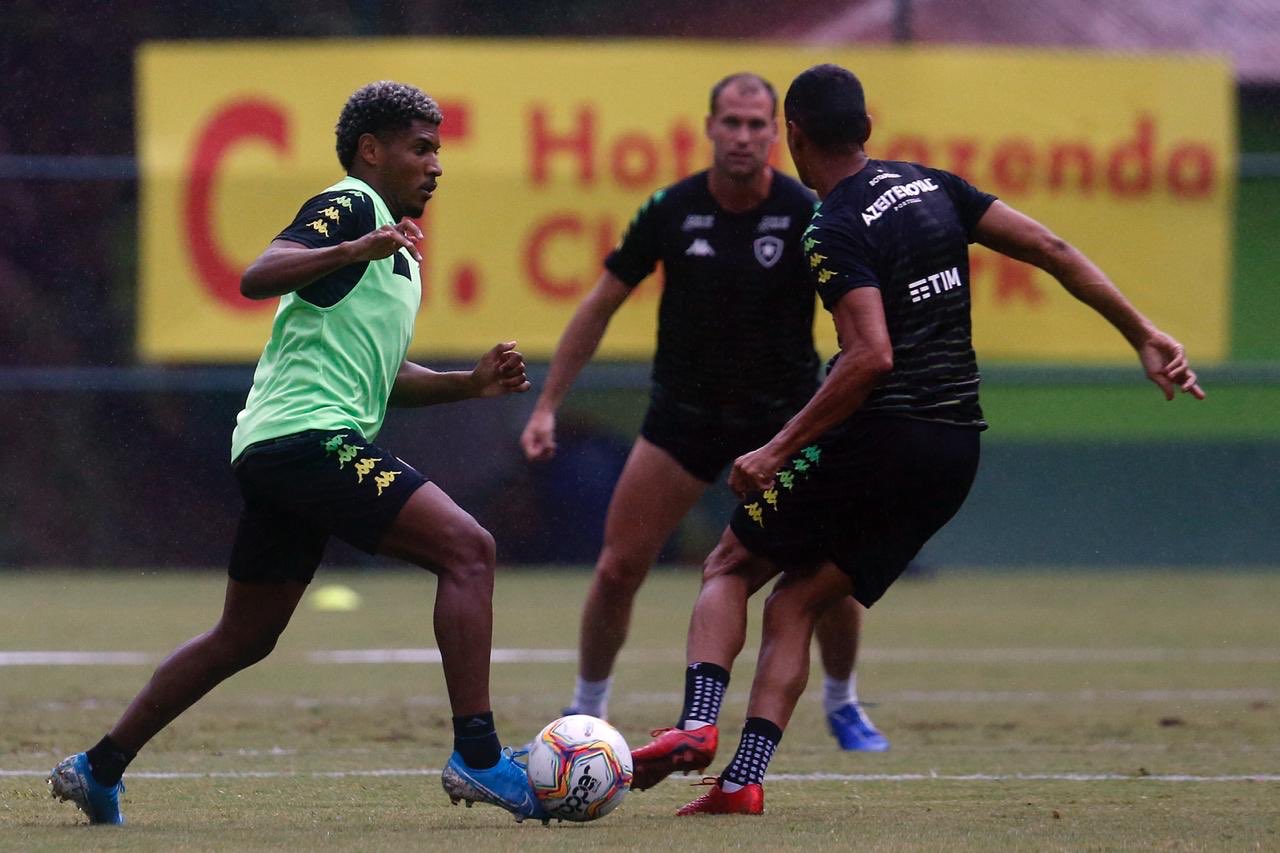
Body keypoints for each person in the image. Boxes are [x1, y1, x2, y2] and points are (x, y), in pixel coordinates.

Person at [630, 63, 1206, 815]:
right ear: (866, 128)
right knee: (796, 602)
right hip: (954, 451)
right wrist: (1144, 334)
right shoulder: (935, 186)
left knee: (731, 562)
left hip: (884, 433)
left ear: (793, 136)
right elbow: (1053, 248)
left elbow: (871, 357)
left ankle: (698, 726)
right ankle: (741, 782)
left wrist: (776, 449)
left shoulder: (830, 227)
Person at [47, 81, 547, 826]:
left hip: (283, 445)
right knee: (468, 549)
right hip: (305, 439)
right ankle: (478, 756)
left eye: (439, 149)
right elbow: (257, 273)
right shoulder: (353, 204)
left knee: (244, 635)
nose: (436, 164)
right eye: (421, 148)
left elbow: (381, 377)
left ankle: (98, 765)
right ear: (372, 151)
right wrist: (357, 243)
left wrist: (467, 385)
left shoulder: (398, 254)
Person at [519, 72, 888, 767]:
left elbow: (859, 323)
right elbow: (598, 305)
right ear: (710, 127)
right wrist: (546, 405)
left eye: (757, 124)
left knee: (829, 575)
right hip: (684, 418)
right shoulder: (672, 209)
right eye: (732, 122)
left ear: (779, 133)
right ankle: (587, 706)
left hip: (784, 423)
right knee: (618, 566)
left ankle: (843, 699)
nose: (744, 136)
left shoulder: (809, 211)